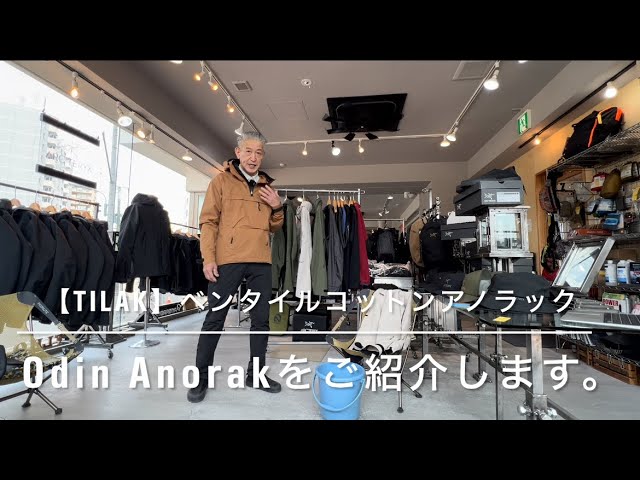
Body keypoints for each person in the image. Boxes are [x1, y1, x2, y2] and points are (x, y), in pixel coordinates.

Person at [188, 131, 285, 403]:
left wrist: (278, 207)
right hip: (228, 259)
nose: (254, 157)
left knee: (261, 320)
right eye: (249, 151)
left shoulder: (267, 187)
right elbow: (208, 222)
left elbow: (274, 227)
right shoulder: (220, 182)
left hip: (261, 261)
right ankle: (201, 377)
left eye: (259, 153)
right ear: (238, 152)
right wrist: (209, 258)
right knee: (215, 318)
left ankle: (256, 374)